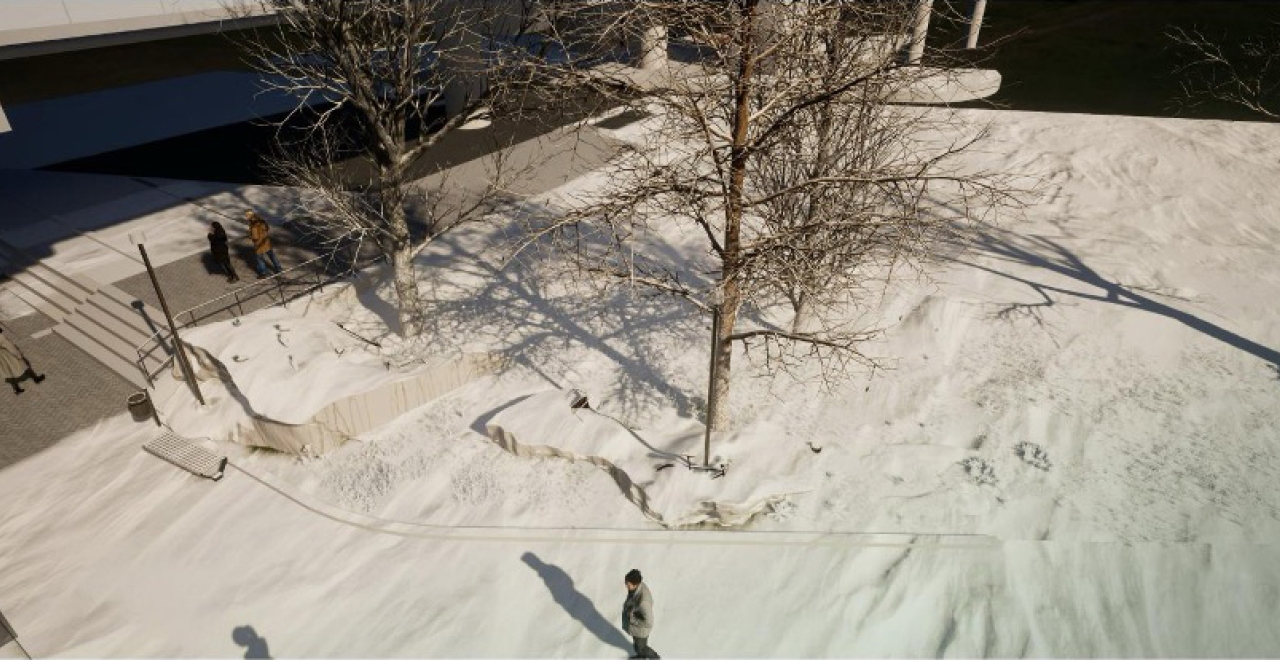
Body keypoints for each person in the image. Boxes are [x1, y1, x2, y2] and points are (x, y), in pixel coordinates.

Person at [622, 569, 659, 659]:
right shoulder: (636, 588)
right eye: (626, 582)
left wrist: (632, 619)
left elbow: (649, 622)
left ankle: (655, 658)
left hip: (641, 630)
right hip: (636, 627)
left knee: (641, 648)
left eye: (628, 584)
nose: (626, 585)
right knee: (637, 646)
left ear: (635, 584)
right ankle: (641, 657)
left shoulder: (643, 602)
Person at [0, 327, 45, 395]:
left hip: (2, 359)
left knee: (9, 372)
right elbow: (10, 347)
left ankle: (16, 389)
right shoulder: (1, 337)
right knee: (24, 366)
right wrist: (18, 354)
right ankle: (35, 378)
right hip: (9, 356)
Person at [244, 210, 283, 277]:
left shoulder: (253, 226)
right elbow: (267, 228)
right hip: (266, 242)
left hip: (259, 245)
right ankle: (278, 268)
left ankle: (263, 273)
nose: (246, 217)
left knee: (260, 259)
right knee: (272, 256)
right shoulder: (261, 220)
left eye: (246, 215)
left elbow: (255, 237)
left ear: (249, 215)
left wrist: (249, 235)